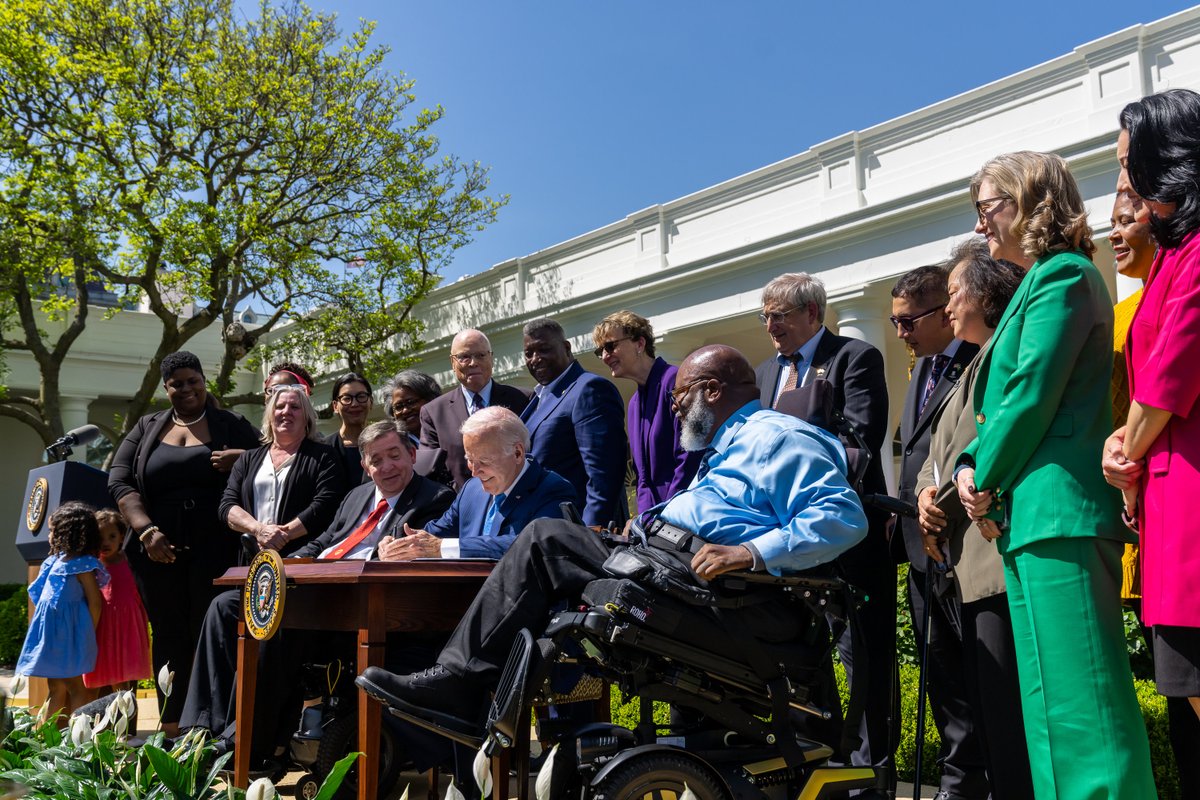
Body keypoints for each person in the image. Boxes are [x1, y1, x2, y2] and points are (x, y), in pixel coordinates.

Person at [357, 345, 868, 723]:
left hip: (726, 595)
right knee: (554, 574)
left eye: (680, 396)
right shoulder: (727, 449)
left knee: (544, 539)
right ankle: (487, 702)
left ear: (713, 391)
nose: (673, 407)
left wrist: (750, 551)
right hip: (669, 569)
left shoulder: (775, 435)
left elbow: (842, 516)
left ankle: (462, 686)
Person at [955, 150, 1154, 797]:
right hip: (1032, 520)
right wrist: (978, 474)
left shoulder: (1064, 276)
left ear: (1030, 201)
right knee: (1049, 712)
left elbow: (1029, 395)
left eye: (990, 206)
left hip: (1058, 513)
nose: (983, 223)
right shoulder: (1043, 279)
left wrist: (981, 475)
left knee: (1084, 708)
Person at [180, 419, 456, 760]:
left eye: (394, 455)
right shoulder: (357, 496)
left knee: (280, 622)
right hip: (318, 593)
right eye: (376, 459)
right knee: (225, 606)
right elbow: (327, 542)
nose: (386, 467)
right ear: (364, 466)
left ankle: (246, 743)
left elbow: (408, 554)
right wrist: (290, 564)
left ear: (412, 455)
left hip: (364, 608)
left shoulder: (436, 499)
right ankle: (200, 729)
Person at [752, 273, 894, 781]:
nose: (770, 327)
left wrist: (792, 451)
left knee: (865, 657)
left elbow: (861, 440)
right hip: (788, 538)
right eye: (764, 316)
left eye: (779, 316)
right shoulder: (766, 371)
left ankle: (871, 774)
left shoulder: (855, 357)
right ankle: (823, 762)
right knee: (804, 657)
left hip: (846, 532)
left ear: (813, 313)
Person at [914, 240, 1032, 799]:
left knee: (1009, 720)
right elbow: (935, 459)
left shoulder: (999, 356)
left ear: (986, 294)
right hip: (960, 563)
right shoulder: (963, 370)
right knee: (985, 714)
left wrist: (940, 504)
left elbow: (977, 447)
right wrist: (923, 497)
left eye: (956, 293)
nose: (948, 307)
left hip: (992, 558)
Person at [1104, 88, 1200, 729]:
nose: (1123, 179)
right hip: (1167, 503)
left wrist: (1123, 444)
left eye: (1128, 161)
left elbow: (1171, 371)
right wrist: (1127, 441)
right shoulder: (1170, 257)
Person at [108, 350, 262, 734]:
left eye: (193, 380)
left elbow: (274, 457)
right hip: (156, 552)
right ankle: (171, 725)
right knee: (169, 635)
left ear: (203, 382)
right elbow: (119, 480)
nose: (187, 388)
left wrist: (241, 458)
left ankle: (210, 727)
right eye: (178, 383)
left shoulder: (231, 424)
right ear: (166, 387)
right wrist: (146, 530)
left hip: (217, 548)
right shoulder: (146, 427)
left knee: (209, 634)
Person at [889, 262, 985, 799]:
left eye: (910, 321)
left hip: (963, 538)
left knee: (978, 667)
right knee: (942, 673)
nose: (901, 333)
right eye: (895, 322)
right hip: (918, 543)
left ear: (944, 314)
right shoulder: (918, 373)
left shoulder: (977, 360)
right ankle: (959, 780)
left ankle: (986, 776)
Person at [380, 407, 577, 560]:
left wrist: (442, 548)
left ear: (517, 453)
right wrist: (398, 544)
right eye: (470, 459)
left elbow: (531, 545)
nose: (474, 471)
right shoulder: (471, 489)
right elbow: (434, 534)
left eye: (484, 461)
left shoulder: (554, 490)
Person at [520, 318, 628, 527]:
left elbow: (603, 476)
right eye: (528, 353)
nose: (535, 359)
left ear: (566, 348)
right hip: (541, 531)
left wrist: (589, 534)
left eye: (543, 349)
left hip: (576, 534)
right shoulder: (537, 398)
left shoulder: (589, 389)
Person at [591, 311, 701, 514]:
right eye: (600, 351)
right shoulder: (633, 404)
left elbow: (689, 457)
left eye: (610, 346)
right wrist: (644, 520)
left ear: (640, 344)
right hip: (655, 522)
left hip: (683, 514)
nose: (605, 356)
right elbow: (643, 478)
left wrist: (666, 512)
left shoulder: (676, 381)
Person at [220, 385, 346, 556]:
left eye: (295, 407)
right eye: (279, 407)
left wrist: (281, 536)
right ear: (270, 416)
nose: (286, 411)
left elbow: (325, 504)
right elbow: (227, 506)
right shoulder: (247, 459)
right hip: (253, 561)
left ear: (306, 418)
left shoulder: (324, 456)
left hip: (302, 558)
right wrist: (259, 530)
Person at [16, 502, 108, 722]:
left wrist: (87, 633)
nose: (49, 535)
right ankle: (49, 739)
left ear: (67, 533)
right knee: (55, 686)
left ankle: (77, 739)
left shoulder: (82, 565)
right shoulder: (52, 562)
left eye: (52, 530)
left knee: (76, 686)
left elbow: (95, 602)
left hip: (71, 636)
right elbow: (40, 597)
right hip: (51, 636)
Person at [419, 329, 530, 490]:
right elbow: (431, 472)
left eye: (480, 355)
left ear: (491, 358)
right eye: (464, 357)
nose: (473, 363)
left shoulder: (524, 399)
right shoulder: (434, 413)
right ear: (452, 362)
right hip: (464, 508)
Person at [83, 508, 152, 699]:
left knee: (126, 678)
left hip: (128, 625)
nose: (106, 542)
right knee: (103, 673)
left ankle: (126, 725)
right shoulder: (91, 564)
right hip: (103, 626)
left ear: (122, 536)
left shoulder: (131, 560)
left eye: (112, 536)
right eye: (100, 537)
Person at [324, 372, 373, 486]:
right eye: (347, 398)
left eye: (361, 397)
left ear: (371, 401)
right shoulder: (324, 448)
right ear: (335, 406)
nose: (354, 404)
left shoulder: (383, 443)